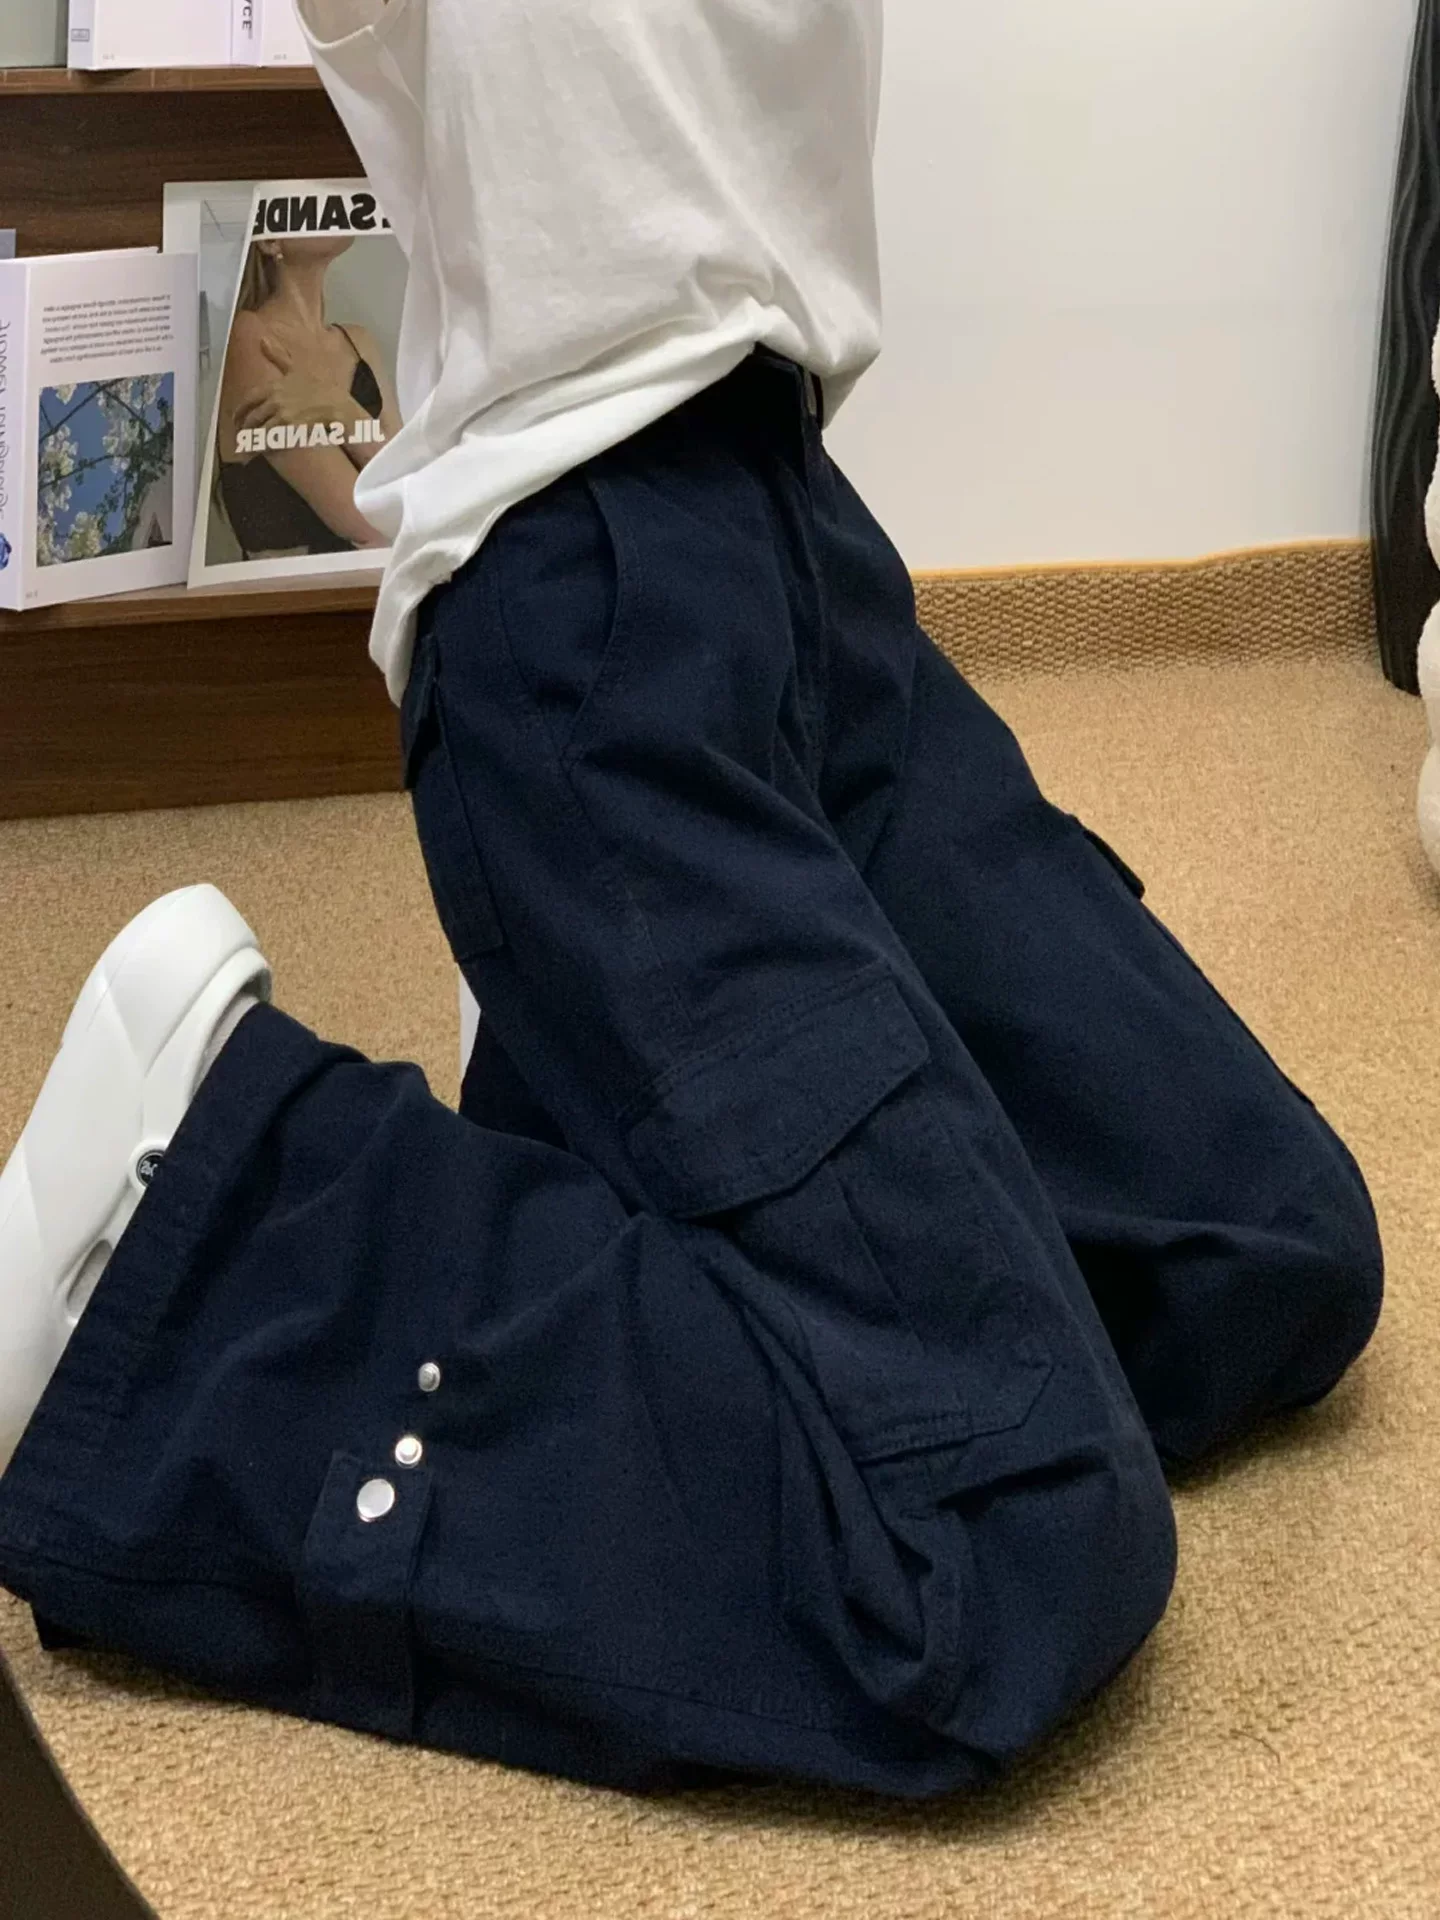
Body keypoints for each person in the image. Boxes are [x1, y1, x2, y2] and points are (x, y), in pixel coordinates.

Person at [0, 1, 1382, 1797]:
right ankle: (200, 1240)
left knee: (1270, 1256)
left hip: (800, 541)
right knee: (1005, 1553)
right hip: (586, 604)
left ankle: (635, 1145)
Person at [212, 232, 402, 562]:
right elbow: (368, 523)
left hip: (380, 584)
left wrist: (341, 409)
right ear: (270, 243)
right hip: (304, 594)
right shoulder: (252, 337)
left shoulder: (359, 342)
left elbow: (413, 484)